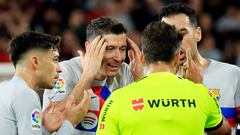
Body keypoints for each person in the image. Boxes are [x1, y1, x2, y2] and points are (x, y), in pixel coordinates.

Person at [96, 21, 231, 135]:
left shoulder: (117, 100)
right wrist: (199, 86)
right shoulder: (201, 93)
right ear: (178, 58)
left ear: (142, 58)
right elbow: (226, 131)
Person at [43, 16, 142, 134]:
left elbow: (143, 120)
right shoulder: (64, 71)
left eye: (122, 49)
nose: (119, 57)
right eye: (110, 48)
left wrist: (141, 81)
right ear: (89, 47)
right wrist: (88, 75)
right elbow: (55, 122)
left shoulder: (126, 72)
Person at [158, 3, 240, 134]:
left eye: (181, 34)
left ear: (198, 34)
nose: (175, 42)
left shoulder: (232, 75)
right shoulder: (156, 83)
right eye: (168, 36)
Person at [0, 31, 91, 135]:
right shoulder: (26, 95)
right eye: (55, 60)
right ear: (35, 61)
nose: (59, 68)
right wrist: (70, 123)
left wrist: (44, 129)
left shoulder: (3, 89)